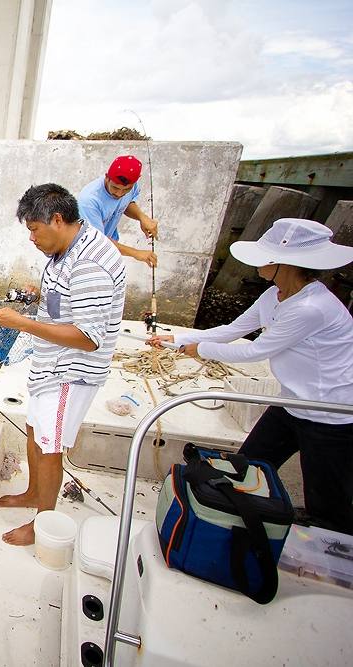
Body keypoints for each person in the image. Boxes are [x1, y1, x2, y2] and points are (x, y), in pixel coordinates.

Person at [148, 218, 353, 534]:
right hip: (290, 402)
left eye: (266, 258)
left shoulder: (312, 307)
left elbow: (253, 352)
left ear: (285, 264)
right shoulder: (274, 295)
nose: (258, 264)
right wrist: (176, 340)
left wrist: (198, 349)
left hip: (329, 413)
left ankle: (327, 551)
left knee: (327, 501)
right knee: (247, 464)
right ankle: (236, 519)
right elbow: (233, 331)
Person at [0, 183, 126, 546]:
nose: (31, 238)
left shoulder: (90, 262)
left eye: (34, 229)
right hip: (52, 366)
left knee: (49, 448)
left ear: (58, 219)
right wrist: (38, 297)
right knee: (35, 432)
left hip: (71, 373)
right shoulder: (68, 248)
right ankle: (35, 493)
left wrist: (24, 324)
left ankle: (42, 524)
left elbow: (89, 336)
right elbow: (66, 301)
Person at [78, 155, 159, 268]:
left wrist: (142, 217)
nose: (119, 194)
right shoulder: (89, 201)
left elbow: (126, 204)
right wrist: (135, 253)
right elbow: (97, 241)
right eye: (115, 188)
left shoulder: (132, 185)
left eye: (126, 190)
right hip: (87, 254)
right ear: (107, 178)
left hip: (109, 249)